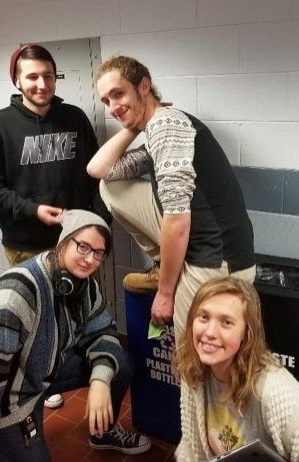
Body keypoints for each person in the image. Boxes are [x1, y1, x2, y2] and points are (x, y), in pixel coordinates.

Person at [0, 209, 151, 462]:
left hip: (42, 372)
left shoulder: (82, 284)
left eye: (98, 253)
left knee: (120, 363)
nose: (90, 259)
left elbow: (102, 330)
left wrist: (100, 380)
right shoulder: (15, 296)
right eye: (83, 247)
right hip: (7, 396)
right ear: (63, 242)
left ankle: (103, 432)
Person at [0, 43, 111, 409]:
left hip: (76, 245)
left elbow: (95, 177)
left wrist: (98, 224)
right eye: (32, 76)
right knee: (37, 321)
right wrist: (34, 210)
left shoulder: (75, 118)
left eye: (48, 76)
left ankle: (89, 373)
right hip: (26, 244)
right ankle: (39, 381)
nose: (41, 84)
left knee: (80, 313)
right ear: (18, 80)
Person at [87, 55, 255, 344]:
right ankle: (163, 262)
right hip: (213, 254)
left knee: (195, 366)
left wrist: (165, 294)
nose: (113, 107)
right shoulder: (158, 129)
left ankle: (164, 271)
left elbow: (177, 218)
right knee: (109, 187)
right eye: (106, 101)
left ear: (144, 86)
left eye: (118, 94)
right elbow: (99, 170)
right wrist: (132, 124)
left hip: (216, 265)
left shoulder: (167, 126)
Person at [172, 276, 299, 462]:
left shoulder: (276, 390)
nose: (210, 332)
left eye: (227, 322)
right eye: (203, 317)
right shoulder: (193, 371)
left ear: (246, 334)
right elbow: (197, 454)